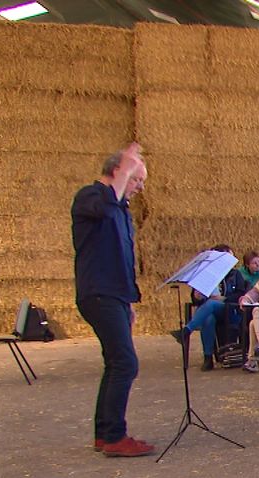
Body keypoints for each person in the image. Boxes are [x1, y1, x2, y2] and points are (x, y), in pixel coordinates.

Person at [73, 143, 154, 457]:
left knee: (115, 363)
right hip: (98, 292)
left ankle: (104, 434)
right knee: (125, 363)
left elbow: (122, 259)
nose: (139, 187)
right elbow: (105, 208)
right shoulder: (90, 197)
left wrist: (129, 302)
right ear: (117, 173)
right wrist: (125, 168)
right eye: (136, 180)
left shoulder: (121, 211)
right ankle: (115, 437)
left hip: (115, 295)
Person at [170, 244, 248, 371]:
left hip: (229, 310)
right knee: (208, 319)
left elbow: (241, 293)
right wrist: (197, 296)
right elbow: (195, 299)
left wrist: (225, 299)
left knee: (211, 304)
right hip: (209, 310)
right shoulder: (206, 275)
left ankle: (186, 331)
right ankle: (208, 359)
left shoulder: (235, 274)